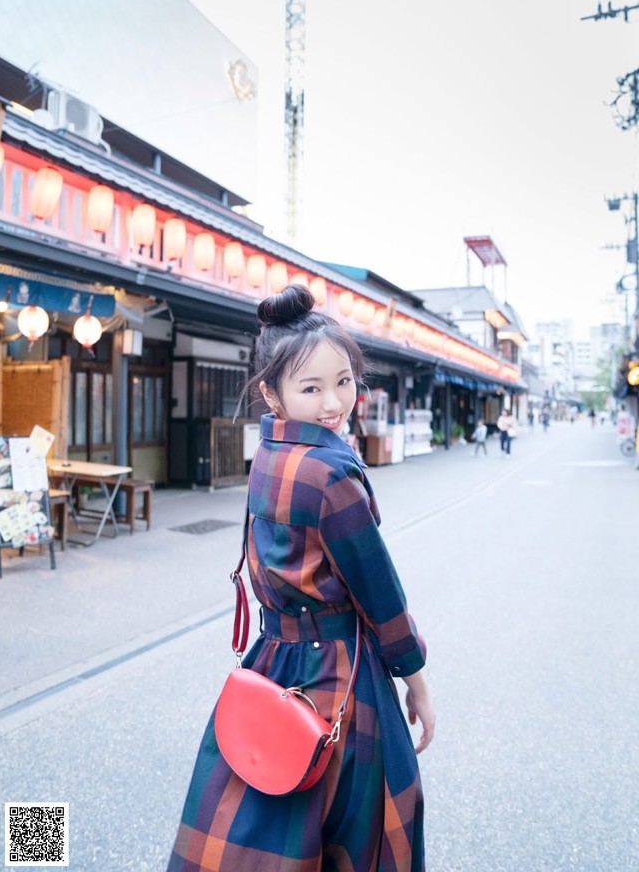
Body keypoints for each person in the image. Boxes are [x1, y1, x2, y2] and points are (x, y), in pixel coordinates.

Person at [166, 285, 436, 872]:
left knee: (261, 817)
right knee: (368, 820)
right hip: (340, 667)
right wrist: (415, 677)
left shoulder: (269, 454)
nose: (335, 402)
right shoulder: (331, 472)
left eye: (344, 381)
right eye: (311, 388)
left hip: (275, 659)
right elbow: (380, 593)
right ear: (272, 391)